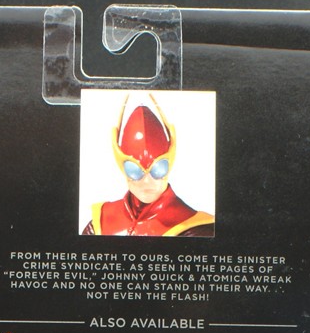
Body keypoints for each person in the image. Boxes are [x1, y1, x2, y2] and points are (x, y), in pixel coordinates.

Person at [83, 93, 214, 237]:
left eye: (158, 169)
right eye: (135, 171)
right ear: (122, 167)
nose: (147, 181)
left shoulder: (194, 229)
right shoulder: (99, 223)